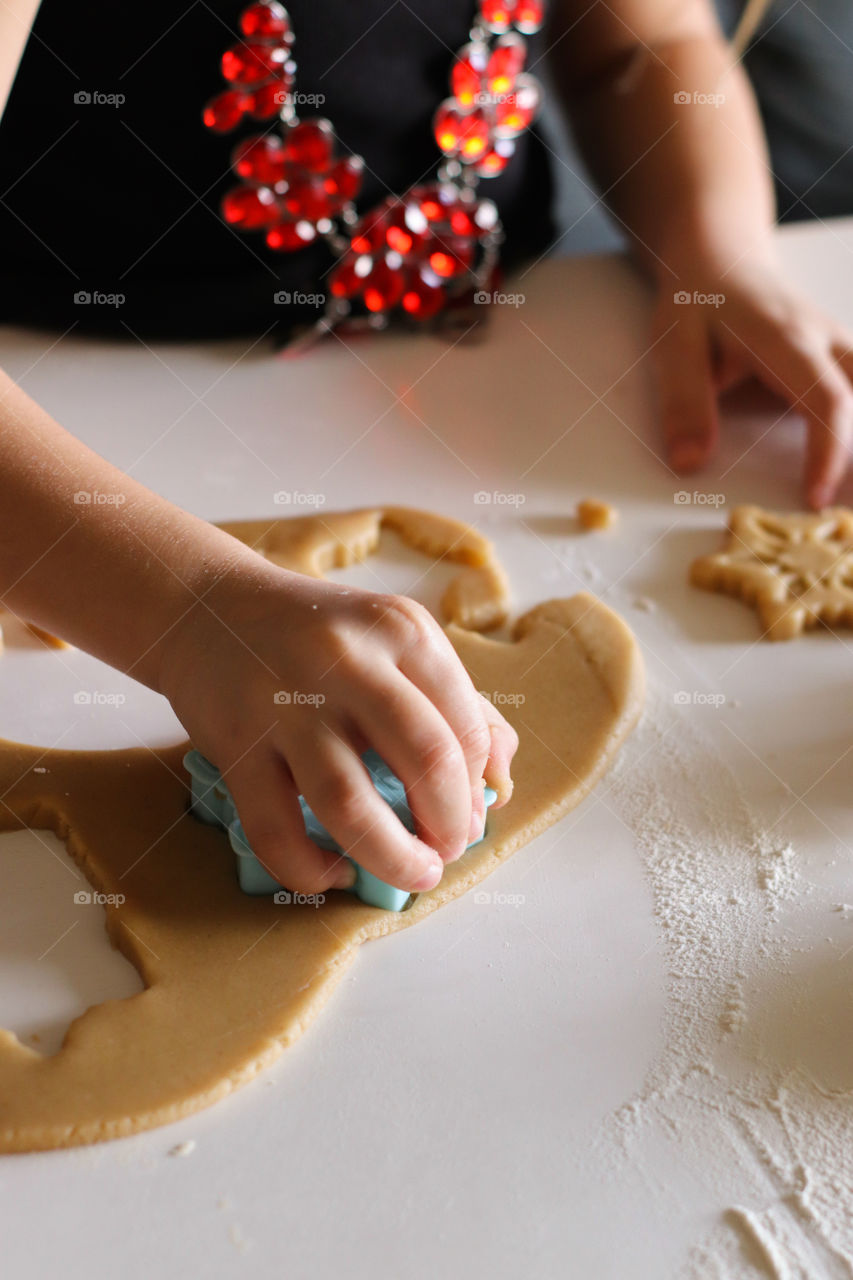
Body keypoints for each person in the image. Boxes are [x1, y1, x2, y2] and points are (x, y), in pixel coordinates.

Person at [0, 0, 849, 894]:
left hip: (507, 355)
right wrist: (189, 613)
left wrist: (717, 252)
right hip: (68, 397)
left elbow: (642, 48)